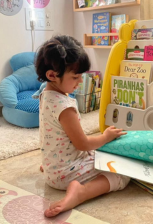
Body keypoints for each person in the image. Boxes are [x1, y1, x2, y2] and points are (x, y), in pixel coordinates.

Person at [35, 35, 130, 218]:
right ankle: (81, 193)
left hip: (53, 168)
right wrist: (106, 137)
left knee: (103, 154)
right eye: (75, 77)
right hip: (65, 174)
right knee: (122, 174)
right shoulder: (65, 107)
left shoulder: (46, 96)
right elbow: (83, 144)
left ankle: (54, 167)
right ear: (52, 75)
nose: (80, 82)